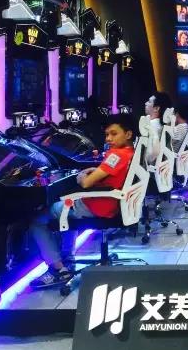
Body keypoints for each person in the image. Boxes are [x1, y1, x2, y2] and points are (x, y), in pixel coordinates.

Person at [29, 114, 136, 288]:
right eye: (107, 134)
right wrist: (96, 170)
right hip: (111, 205)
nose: (108, 139)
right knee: (66, 212)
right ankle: (67, 259)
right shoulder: (130, 152)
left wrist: (81, 177)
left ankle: (58, 269)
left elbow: (86, 183)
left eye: (114, 134)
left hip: (97, 206)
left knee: (37, 220)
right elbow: (109, 172)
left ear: (128, 134)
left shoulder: (116, 155)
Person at [144, 92, 172, 164]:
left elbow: (150, 156)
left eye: (149, 102)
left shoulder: (151, 126)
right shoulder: (163, 126)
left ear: (156, 108)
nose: (146, 103)